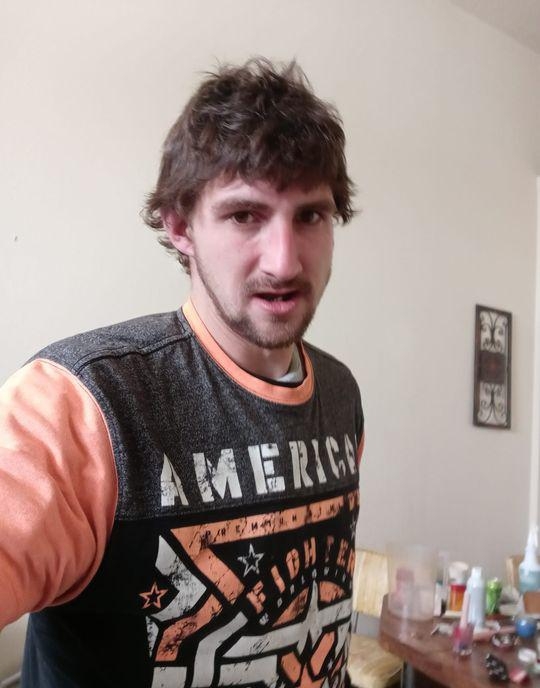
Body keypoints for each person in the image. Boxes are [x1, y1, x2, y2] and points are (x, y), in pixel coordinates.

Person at [0, 58, 364, 688]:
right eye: (244, 215)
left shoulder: (340, 393)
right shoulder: (81, 403)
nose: (283, 262)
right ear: (180, 227)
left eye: (309, 215)